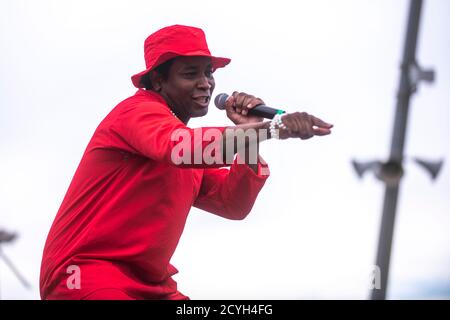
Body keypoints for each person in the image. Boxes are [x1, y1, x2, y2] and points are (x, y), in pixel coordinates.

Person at [39, 24, 333, 300]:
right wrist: (272, 129)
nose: (206, 84)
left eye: (208, 73)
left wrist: (252, 134)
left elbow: (233, 204)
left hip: (151, 284)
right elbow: (182, 149)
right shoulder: (137, 112)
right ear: (158, 80)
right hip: (85, 272)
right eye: (191, 74)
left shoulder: (189, 145)